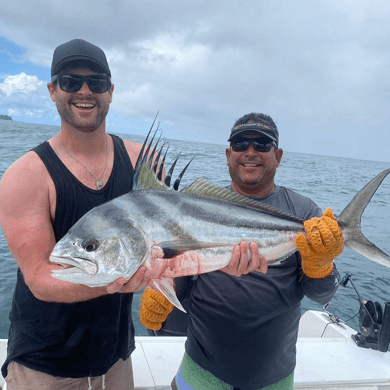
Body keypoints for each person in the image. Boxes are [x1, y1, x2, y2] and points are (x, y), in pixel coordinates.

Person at [0, 40, 263, 390]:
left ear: (110, 92)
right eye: (69, 82)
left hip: (117, 359)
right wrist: (114, 281)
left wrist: (220, 258)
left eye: (95, 83)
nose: (84, 91)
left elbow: (174, 244)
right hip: (44, 367)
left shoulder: (144, 161)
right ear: (52, 90)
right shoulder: (25, 176)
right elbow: (39, 278)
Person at [139, 113, 343, 390]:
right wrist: (165, 286)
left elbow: (321, 294)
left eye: (261, 144)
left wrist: (320, 264)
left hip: (273, 375)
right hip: (202, 367)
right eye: (240, 144)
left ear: (278, 155)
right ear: (227, 154)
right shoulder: (196, 205)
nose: (250, 152)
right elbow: (185, 267)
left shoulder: (304, 212)